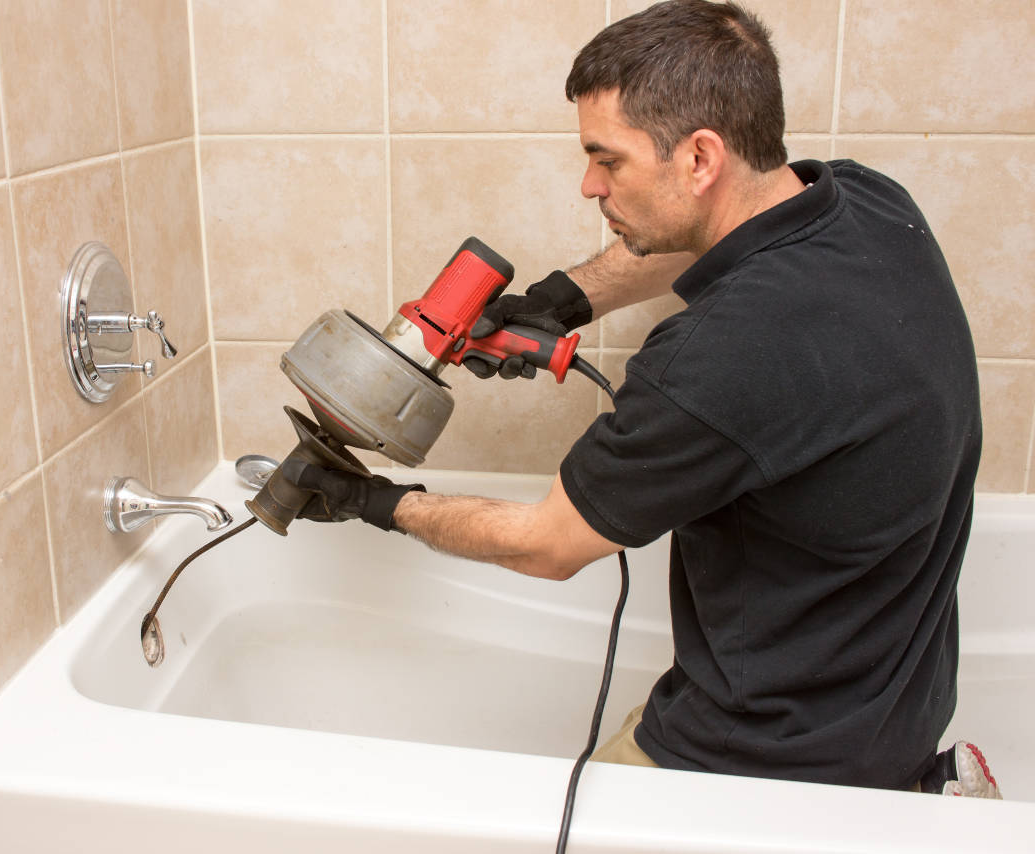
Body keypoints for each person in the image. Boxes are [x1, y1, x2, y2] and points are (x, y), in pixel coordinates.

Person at [281, 0, 1000, 798]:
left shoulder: (721, 356)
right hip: (889, 708)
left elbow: (546, 546)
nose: (589, 184)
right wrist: (564, 299)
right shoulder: (867, 203)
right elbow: (713, 231)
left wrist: (377, 502)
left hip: (762, 763)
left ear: (699, 158)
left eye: (608, 160)